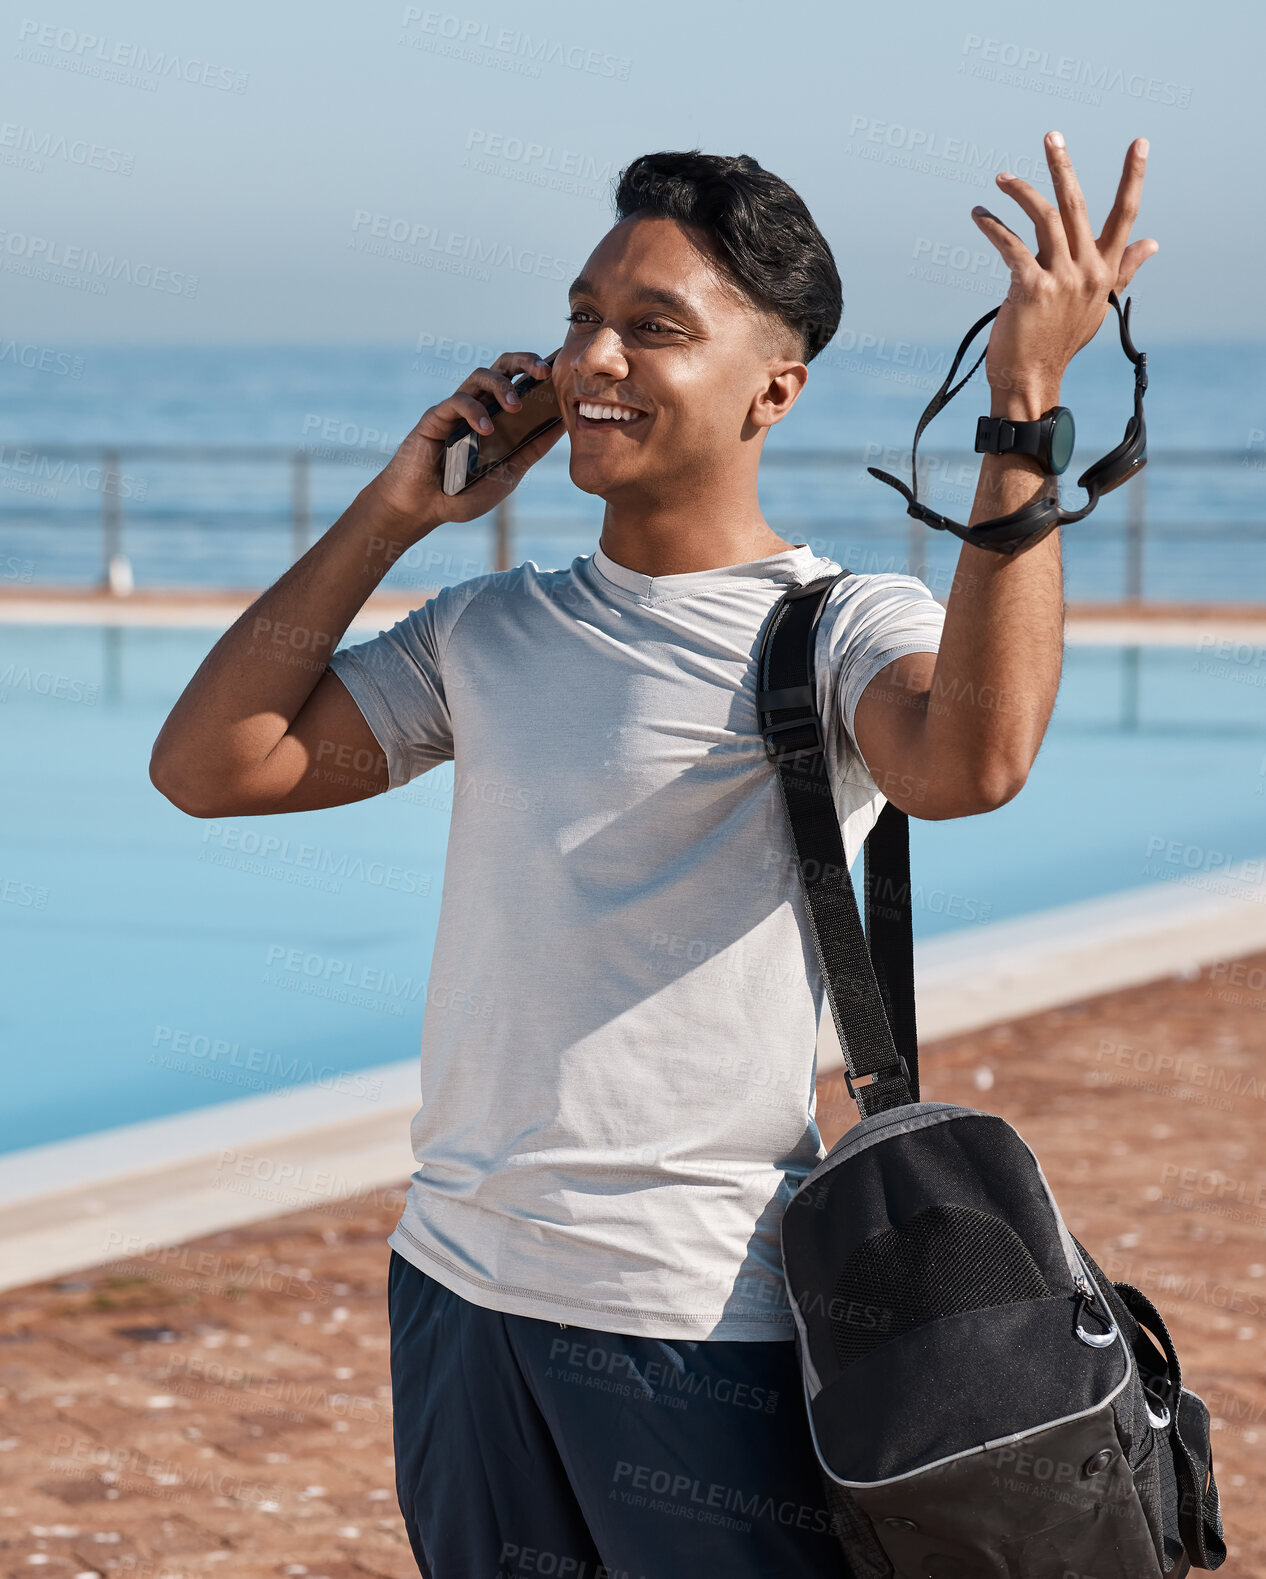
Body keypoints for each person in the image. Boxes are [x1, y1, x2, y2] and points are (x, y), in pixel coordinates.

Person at [150, 136, 1155, 1578]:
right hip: (456, 1293)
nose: (592, 360)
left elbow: (970, 762)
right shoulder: (484, 630)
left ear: (773, 388)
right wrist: (395, 512)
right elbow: (208, 767)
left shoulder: (833, 625)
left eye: (653, 328)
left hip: (694, 1324)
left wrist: (1021, 410)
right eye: (580, 317)